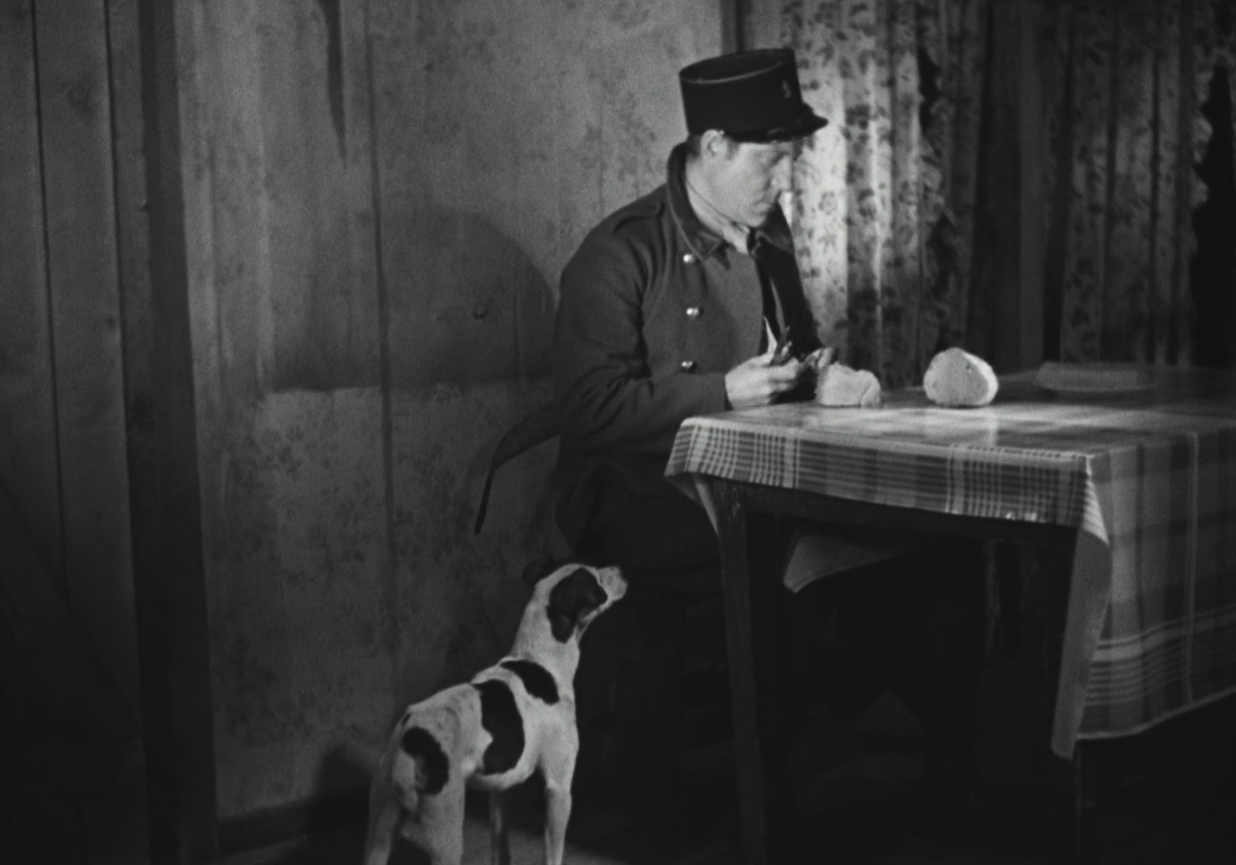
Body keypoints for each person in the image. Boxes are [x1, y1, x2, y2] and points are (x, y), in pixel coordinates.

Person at [551, 47, 990, 835]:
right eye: (771, 159)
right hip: (644, 498)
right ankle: (771, 808)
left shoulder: (767, 232)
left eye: (791, 158)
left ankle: (949, 776)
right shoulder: (621, 253)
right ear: (713, 145)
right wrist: (720, 392)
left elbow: (794, 345)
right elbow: (588, 408)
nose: (785, 179)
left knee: (939, 548)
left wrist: (825, 376)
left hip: (759, 483)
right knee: (784, 564)